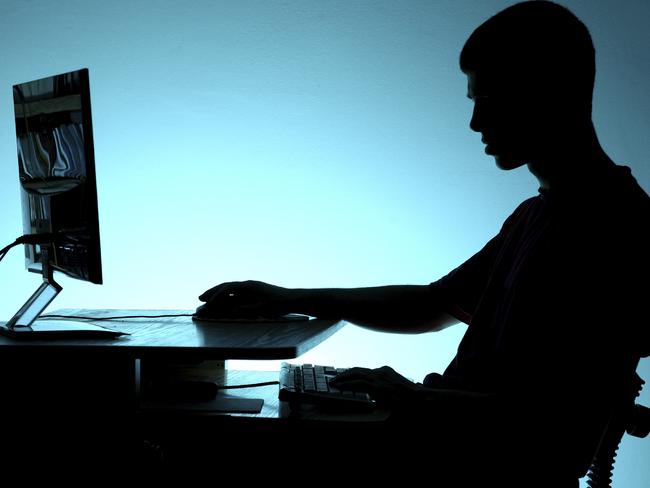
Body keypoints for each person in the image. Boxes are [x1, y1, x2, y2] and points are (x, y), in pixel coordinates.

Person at [196, 1, 649, 484]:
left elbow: (553, 426)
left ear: (548, 91)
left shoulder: (617, 225)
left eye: (489, 99)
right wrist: (289, 298)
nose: (476, 124)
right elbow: (432, 305)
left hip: (468, 464)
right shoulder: (538, 213)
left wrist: (414, 398)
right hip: (440, 441)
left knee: (199, 443)